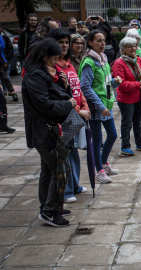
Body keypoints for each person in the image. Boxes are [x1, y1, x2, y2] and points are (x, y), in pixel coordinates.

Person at [22, 38, 75, 226]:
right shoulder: (35, 76)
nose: (56, 62)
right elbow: (44, 104)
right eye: (53, 59)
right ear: (44, 56)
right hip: (43, 130)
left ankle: (49, 206)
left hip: (46, 129)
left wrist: (63, 86)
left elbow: (53, 96)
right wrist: (68, 103)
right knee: (61, 169)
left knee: (48, 169)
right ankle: (50, 212)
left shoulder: (43, 73)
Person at [48, 28, 90, 203]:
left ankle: (75, 185)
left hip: (77, 114)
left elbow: (77, 89)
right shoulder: (52, 67)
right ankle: (65, 191)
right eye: (61, 42)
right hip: (65, 116)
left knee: (73, 154)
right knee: (64, 155)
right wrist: (78, 110)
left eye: (66, 42)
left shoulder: (69, 63)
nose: (64, 45)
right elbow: (59, 96)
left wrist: (85, 107)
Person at [78, 30, 122, 183]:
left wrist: (115, 82)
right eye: (98, 40)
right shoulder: (89, 62)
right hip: (97, 107)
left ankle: (103, 162)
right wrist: (99, 105)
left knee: (112, 135)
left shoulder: (103, 59)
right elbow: (86, 87)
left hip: (106, 104)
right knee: (97, 139)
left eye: (103, 40)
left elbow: (105, 84)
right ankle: (99, 170)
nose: (103, 43)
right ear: (90, 42)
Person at [112, 37, 141, 156]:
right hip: (126, 98)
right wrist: (139, 84)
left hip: (139, 97)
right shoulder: (119, 63)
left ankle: (139, 144)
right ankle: (125, 146)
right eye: (130, 46)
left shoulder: (139, 60)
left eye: (134, 46)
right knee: (127, 122)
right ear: (123, 50)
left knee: (138, 122)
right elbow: (122, 84)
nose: (133, 48)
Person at [0, 24, 17, 102]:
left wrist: (6, 59)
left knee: (6, 78)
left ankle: (12, 92)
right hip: (2, 60)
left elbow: (4, 47)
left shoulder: (3, 37)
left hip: (2, 60)